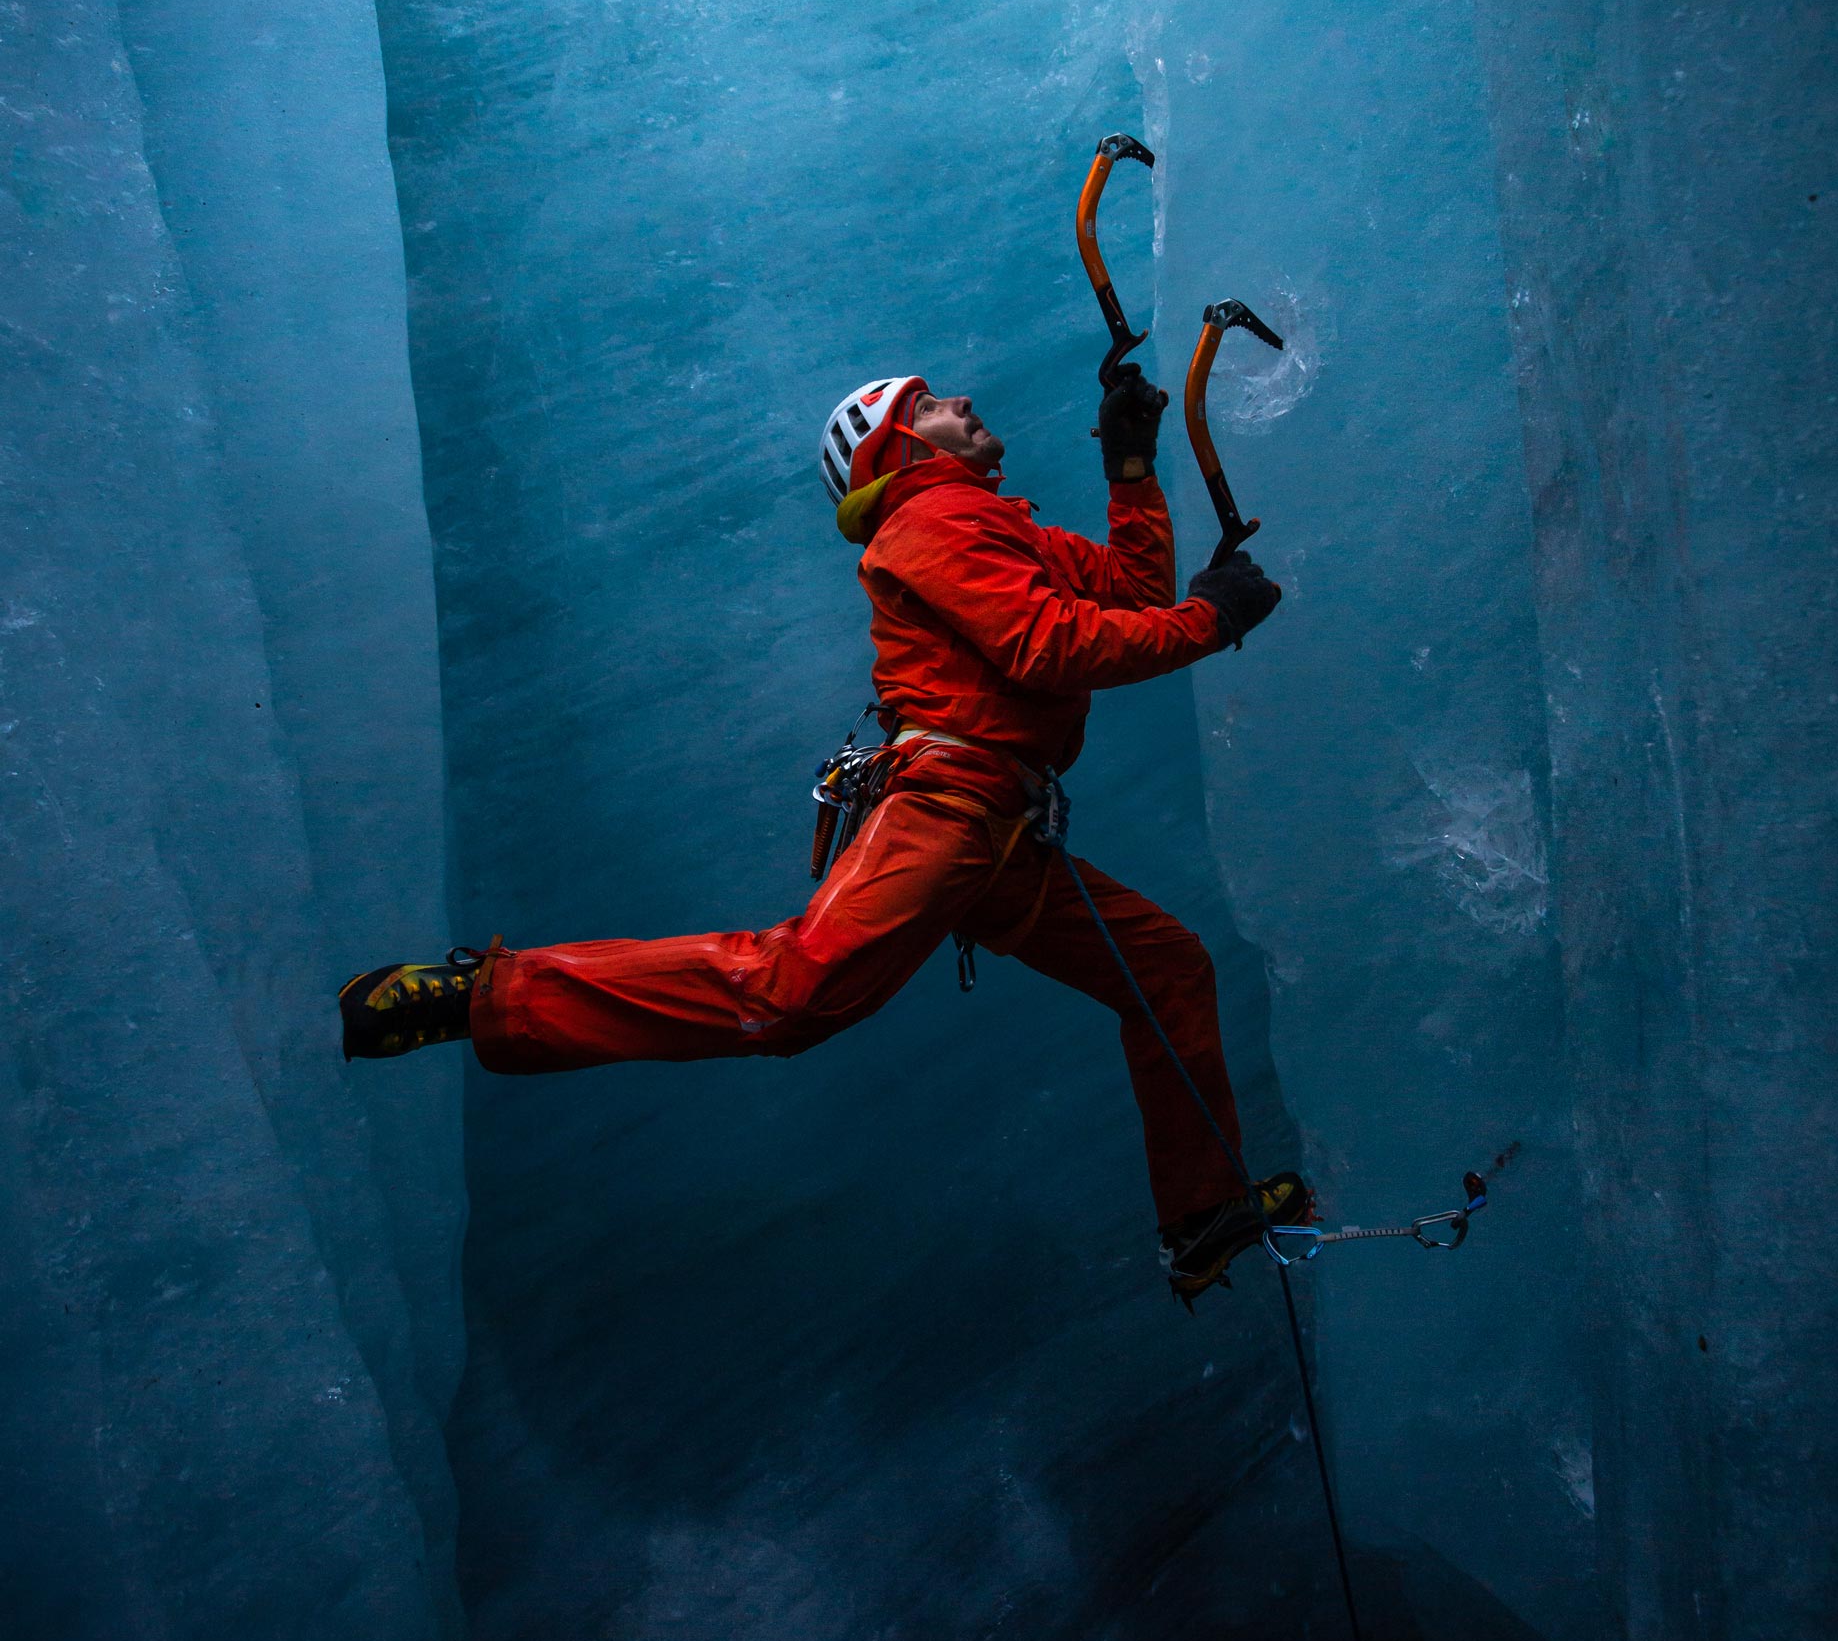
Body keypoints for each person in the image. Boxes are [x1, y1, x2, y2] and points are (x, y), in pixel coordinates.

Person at [339, 366, 1305, 1303]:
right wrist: (1211, 623)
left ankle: (1203, 1214)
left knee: (1166, 970)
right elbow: (1048, 650)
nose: (959, 401)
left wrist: (1129, 470)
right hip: (951, 805)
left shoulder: (994, 528)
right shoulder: (930, 519)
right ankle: (489, 996)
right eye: (928, 405)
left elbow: (1131, 599)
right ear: (896, 448)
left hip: (999, 833)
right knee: (791, 992)